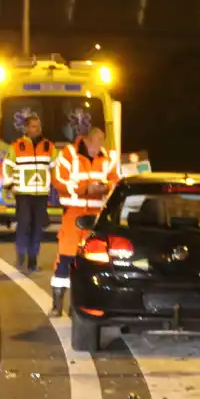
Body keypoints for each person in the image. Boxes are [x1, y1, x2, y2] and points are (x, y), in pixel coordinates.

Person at [49, 125, 119, 317]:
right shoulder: (69, 154)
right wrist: (85, 189)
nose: (98, 148)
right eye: (95, 144)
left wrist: (106, 188)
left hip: (97, 216)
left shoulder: (109, 157)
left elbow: (116, 180)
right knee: (65, 257)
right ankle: (57, 304)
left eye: (101, 144)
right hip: (74, 213)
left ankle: (80, 306)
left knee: (92, 261)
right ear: (86, 140)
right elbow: (59, 181)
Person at [3, 112, 55, 272]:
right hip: (23, 194)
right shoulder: (17, 146)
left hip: (41, 195)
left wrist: (55, 187)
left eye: (38, 126)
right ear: (26, 128)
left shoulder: (48, 146)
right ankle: (21, 256)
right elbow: (7, 166)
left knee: (37, 228)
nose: (37, 129)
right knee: (24, 226)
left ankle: (32, 260)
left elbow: (56, 168)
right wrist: (10, 185)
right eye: (33, 126)